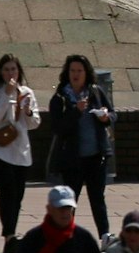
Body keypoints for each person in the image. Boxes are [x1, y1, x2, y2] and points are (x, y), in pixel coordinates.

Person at [48, 55, 115, 237]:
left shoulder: (95, 92)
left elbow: (113, 114)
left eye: (79, 71)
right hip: (72, 158)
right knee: (70, 200)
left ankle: (105, 235)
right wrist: (76, 111)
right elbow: (58, 128)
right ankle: (65, 234)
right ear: (67, 73)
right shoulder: (61, 98)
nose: (76, 75)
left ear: (86, 73)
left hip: (96, 156)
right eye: (72, 71)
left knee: (98, 199)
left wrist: (105, 117)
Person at [0, 54, 43, 253]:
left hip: (20, 150)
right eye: (7, 69)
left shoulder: (26, 92)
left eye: (14, 69)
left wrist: (28, 112)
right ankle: (9, 236)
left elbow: (34, 123)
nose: (11, 73)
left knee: (17, 195)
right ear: (0, 72)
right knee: (7, 192)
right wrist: (6, 96)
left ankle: (11, 232)